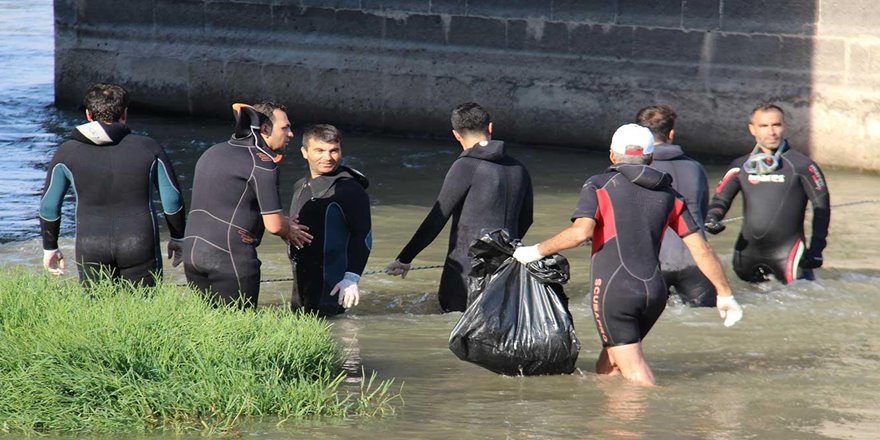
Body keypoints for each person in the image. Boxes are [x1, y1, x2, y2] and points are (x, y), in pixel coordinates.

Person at [513, 123, 743, 386]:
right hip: (654, 293)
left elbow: (580, 233)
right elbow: (701, 249)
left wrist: (534, 251)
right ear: (650, 157)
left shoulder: (599, 184)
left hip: (615, 291)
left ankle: (651, 419)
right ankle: (613, 423)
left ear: (612, 155)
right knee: (611, 362)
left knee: (636, 372)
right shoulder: (670, 194)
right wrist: (725, 294)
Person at [384, 102, 534, 312]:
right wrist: (503, 250)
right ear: (490, 128)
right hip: (508, 267)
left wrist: (405, 258)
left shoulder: (465, 166)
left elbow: (438, 217)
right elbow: (527, 219)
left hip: (464, 273)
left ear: (456, 134)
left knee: (456, 328)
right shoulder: (519, 168)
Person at [39, 83, 185, 286]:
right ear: (125, 114)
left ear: (89, 114)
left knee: (98, 310)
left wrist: (50, 248)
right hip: (139, 243)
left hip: (91, 245)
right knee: (143, 310)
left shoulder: (67, 152)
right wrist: (178, 238)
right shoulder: (149, 147)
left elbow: (49, 206)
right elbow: (172, 201)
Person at [182, 102, 295, 308]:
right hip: (229, 257)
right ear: (264, 129)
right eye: (285, 127)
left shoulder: (212, 152)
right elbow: (275, 225)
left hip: (191, 253)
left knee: (208, 328)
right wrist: (291, 230)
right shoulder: (261, 162)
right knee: (238, 331)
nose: (291, 134)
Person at [704, 104, 831, 284]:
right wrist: (712, 217)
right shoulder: (740, 166)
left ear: (784, 126)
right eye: (764, 126)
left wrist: (817, 249)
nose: (771, 132)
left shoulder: (802, 166)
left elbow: (822, 207)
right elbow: (720, 200)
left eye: (776, 125)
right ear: (752, 129)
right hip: (746, 255)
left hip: (788, 255)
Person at [636, 105, 717, 307]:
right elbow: (702, 212)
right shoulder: (696, 168)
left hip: (653, 264)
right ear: (671, 133)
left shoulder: (635, 171)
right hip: (697, 263)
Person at [288, 124, 371, 316]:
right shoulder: (300, 186)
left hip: (335, 288)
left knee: (332, 335)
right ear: (304, 152)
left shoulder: (349, 189)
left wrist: (352, 278)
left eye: (334, 150)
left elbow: (363, 236)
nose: (328, 157)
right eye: (320, 150)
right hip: (301, 286)